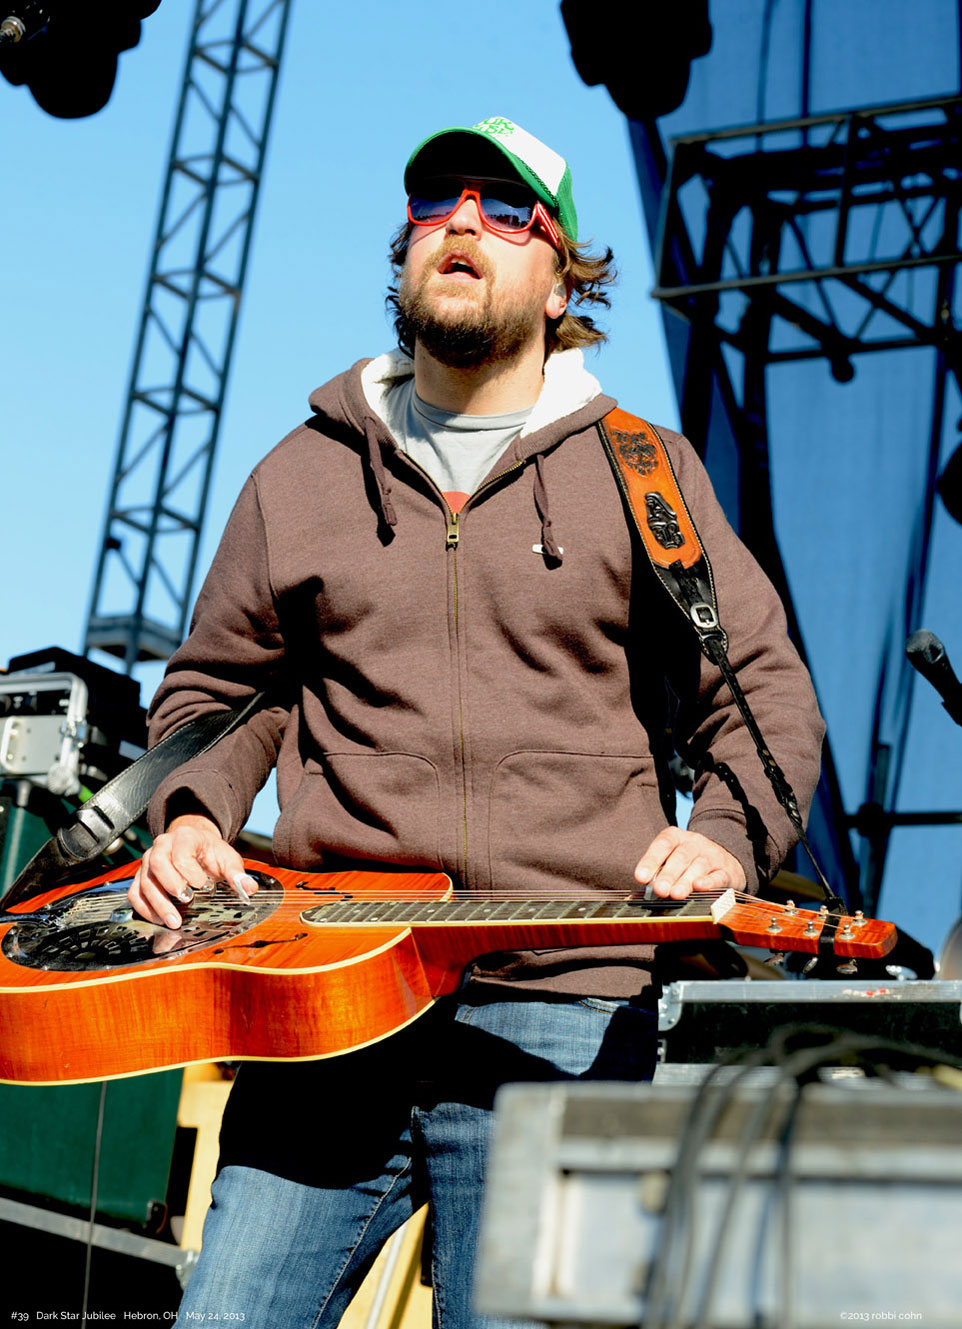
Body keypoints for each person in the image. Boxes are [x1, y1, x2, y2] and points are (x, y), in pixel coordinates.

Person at [129, 117, 824, 1326]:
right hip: (330, 1000)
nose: (462, 219)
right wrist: (190, 814)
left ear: (560, 284)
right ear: (405, 251)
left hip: (568, 1010)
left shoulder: (645, 474)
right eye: (437, 201)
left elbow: (760, 692)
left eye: (507, 210)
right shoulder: (300, 471)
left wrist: (724, 839)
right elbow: (221, 694)